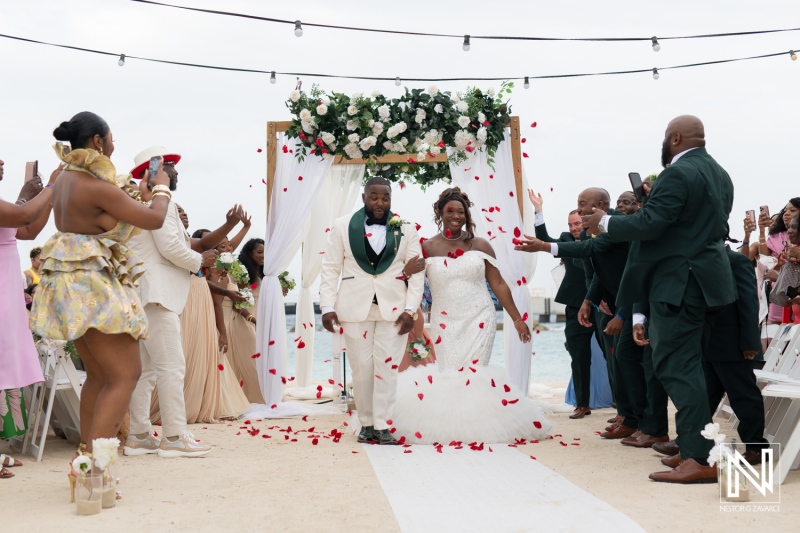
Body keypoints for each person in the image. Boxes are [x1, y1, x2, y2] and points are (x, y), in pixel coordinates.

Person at [583, 115, 735, 484]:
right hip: (708, 283)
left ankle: (699, 459)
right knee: (693, 367)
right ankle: (691, 445)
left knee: (677, 368)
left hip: (678, 284)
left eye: (666, 139)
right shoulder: (720, 174)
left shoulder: (677, 174)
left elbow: (651, 226)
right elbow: (693, 226)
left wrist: (605, 221)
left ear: (676, 138)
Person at [28, 112, 171, 497]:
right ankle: (94, 474)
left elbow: (110, 216)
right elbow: (153, 220)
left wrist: (134, 195)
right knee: (125, 376)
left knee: (99, 377)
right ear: (95, 141)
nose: (113, 146)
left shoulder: (66, 182)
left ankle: (84, 469)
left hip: (70, 282)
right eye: (110, 140)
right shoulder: (94, 184)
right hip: (92, 285)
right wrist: (161, 188)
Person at [390, 187, 552, 445]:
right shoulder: (427, 247)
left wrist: (517, 319)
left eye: (461, 212)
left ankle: (475, 429)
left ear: (467, 215)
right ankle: (448, 428)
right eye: (450, 211)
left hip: (480, 316)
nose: (456, 216)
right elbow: (413, 285)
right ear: (440, 213)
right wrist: (406, 272)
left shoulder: (480, 245)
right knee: (448, 372)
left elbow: (498, 284)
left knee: (473, 373)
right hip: (444, 320)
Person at [124, 146, 218, 458]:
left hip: (144, 294)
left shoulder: (141, 201)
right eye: (170, 167)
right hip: (157, 294)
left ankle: (139, 435)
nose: (176, 172)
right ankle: (175, 435)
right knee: (171, 367)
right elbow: (169, 247)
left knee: (148, 370)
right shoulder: (157, 202)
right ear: (154, 172)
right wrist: (199, 260)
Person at [319, 177, 424, 445]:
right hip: (354, 307)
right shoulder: (343, 226)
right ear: (364, 196)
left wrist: (411, 310)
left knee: (387, 368)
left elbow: (417, 270)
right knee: (362, 367)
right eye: (374, 196)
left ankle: (384, 425)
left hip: (395, 309)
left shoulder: (407, 228)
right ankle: (366, 423)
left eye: (385, 197)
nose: (380, 202)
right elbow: (331, 267)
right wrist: (328, 307)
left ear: (391, 198)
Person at [149, 209, 247, 425]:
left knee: (201, 350)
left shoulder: (188, 244)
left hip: (200, 296)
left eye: (184, 211)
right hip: (187, 296)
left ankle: (199, 402)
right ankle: (174, 406)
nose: (183, 213)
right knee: (183, 350)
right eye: (178, 211)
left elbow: (224, 249)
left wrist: (237, 225)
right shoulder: (171, 241)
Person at [0, 157, 57, 480]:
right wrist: (49, 186)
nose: (1, 162)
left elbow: (28, 227)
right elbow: (23, 214)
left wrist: (42, 197)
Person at [528, 189, 598, 419]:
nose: (574, 228)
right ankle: (582, 403)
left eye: (577, 223)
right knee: (578, 356)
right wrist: (538, 210)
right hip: (576, 305)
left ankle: (622, 405)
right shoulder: (566, 241)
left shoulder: (599, 238)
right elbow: (545, 241)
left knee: (614, 355)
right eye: (571, 225)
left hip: (604, 304)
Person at [228, 238, 266, 404]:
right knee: (252, 362)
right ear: (249, 253)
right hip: (245, 321)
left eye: (265, 252)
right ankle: (259, 399)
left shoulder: (263, 273)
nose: (263, 256)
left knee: (261, 361)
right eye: (259, 252)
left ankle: (250, 397)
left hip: (260, 322)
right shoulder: (243, 274)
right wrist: (252, 319)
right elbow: (236, 304)